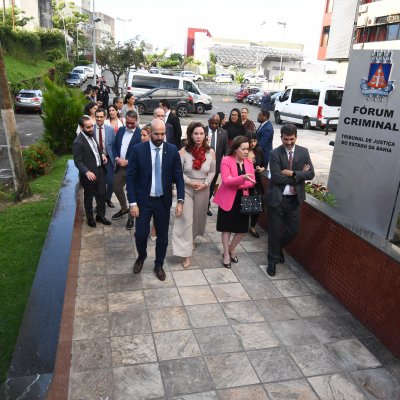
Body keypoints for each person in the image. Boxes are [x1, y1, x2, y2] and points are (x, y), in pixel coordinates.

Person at [126, 118, 185, 281]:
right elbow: (130, 178)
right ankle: (141, 256)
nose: (160, 137)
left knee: (163, 237)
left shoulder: (172, 150)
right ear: (150, 133)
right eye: (156, 134)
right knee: (140, 234)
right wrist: (132, 202)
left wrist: (180, 200)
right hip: (143, 201)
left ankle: (158, 264)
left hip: (162, 201)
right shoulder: (138, 150)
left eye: (162, 134)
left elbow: (178, 177)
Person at [266, 124, 315, 276]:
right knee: (274, 231)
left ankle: (277, 248)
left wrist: (292, 173)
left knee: (294, 230)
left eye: (291, 139)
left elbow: (311, 174)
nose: (288, 142)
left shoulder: (303, 152)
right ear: (281, 137)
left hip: (295, 200)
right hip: (277, 199)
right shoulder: (275, 154)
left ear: (296, 137)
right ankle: (272, 260)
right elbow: (276, 177)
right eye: (285, 139)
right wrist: (300, 176)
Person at [172, 122, 216, 269]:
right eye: (196, 133)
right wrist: (189, 182)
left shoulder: (211, 152)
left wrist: (206, 183)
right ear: (191, 134)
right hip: (186, 188)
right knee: (186, 219)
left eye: (201, 133)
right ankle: (185, 254)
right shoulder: (183, 152)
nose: (198, 136)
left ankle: (190, 241)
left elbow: (212, 171)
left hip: (203, 189)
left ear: (205, 135)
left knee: (197, 218)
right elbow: (177, 172)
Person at [213, 136, 256, 268]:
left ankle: (232, 248)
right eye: (243, 149)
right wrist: (242, 178)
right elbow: (226, 181)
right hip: (228, 199)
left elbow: (252, 182)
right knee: (226, 229)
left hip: (244, 198)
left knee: (242, 229)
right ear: (235, 149)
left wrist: (236, 181)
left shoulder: (249, 162)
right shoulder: (226, 160)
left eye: (247, 149)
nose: (246, 151)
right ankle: (226, 254)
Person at [72, 115, 112, 228]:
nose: (91, 129)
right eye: (88, 127)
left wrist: (102, 155)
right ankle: (90, 218)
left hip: (100, 171)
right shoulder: (78, 142)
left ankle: (100, 216)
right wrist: (86, 172)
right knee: (89, 197)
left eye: (92, 126)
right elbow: (78, 161)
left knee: (102, 194)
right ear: (81, 127)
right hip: (89, 175)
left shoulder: (92, 134)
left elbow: (97, 149)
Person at [112, 110, 141, 230]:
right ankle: (124, 208)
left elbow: (141, 154)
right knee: (115, 187)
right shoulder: (120, 130)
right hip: (120, 167)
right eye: (128, 122)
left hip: (133, 169)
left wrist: (128, 161)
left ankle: (131, 217)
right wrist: (116, 158)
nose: (129, 125)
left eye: (132, 123)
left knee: (131, 192)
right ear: (125, 119)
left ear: (136, 121)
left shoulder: (140, 134)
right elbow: (114, 146)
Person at [205, 114, 229, 216]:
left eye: (216, 123)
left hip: (216, 166)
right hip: (202, 165)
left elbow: (226, 151)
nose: (214, 125)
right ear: (208, 122)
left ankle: (206, 206)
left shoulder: (223, 133)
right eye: (212, 123)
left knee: (211, 187)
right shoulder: (202, 130)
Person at [94, 108, 115, 208]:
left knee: (111, 181)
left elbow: (114, 145)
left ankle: (108, 198)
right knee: (97, 183)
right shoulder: (91, 129)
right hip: (96, 160)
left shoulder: (110, 130)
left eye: (101, 117)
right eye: (97, 116)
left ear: (105, 117)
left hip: (108, 159)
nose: (99, 119)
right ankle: (99, 203)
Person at [246, 132, 265, 238]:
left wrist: (260, 169)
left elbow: (264, 165)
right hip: (244, 181)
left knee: (257, 205)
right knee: (243, 203)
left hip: (256, 181)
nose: (252, 143)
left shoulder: (259, 151)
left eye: (254, 141)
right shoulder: (243, 151)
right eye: (250, 141)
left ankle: (252, 226)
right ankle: (242, 224)